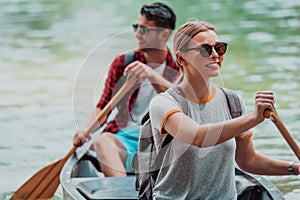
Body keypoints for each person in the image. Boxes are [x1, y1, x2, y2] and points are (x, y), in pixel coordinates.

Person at [148, 20, 300, 199]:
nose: (215, 55)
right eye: (205, 49)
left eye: (219, 48)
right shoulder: (164, 103)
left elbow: (247, 160)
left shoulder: (232, 101)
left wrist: (294, 168)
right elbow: (198, 137)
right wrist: (254, 118)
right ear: (181, 58)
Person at [72, 2, 180, 177]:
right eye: (136, 27)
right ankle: (121, 193)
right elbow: (103, 106)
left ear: (164, 35)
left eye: (144, 29)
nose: (137, 34)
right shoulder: (123, 63)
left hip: (161, 138)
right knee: (102, 142)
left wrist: (150, 75)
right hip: (126, 136)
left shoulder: (180, 67)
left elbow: (182, 100)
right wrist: (86, 131)